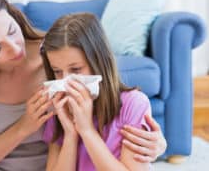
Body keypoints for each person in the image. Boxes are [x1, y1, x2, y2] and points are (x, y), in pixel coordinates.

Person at [0, 0, 166, 171]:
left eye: (11, 30)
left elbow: (113, 96)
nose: (15, 48)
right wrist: (23, 127)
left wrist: (157, 144)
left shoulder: (56, 53)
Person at [40, 12, 159, 171]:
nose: (66, 81)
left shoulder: (133, 104)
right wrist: (70, 135)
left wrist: (87, 130)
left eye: (75, 69)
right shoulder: (58, 110)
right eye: (57, 71)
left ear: (99, 62)